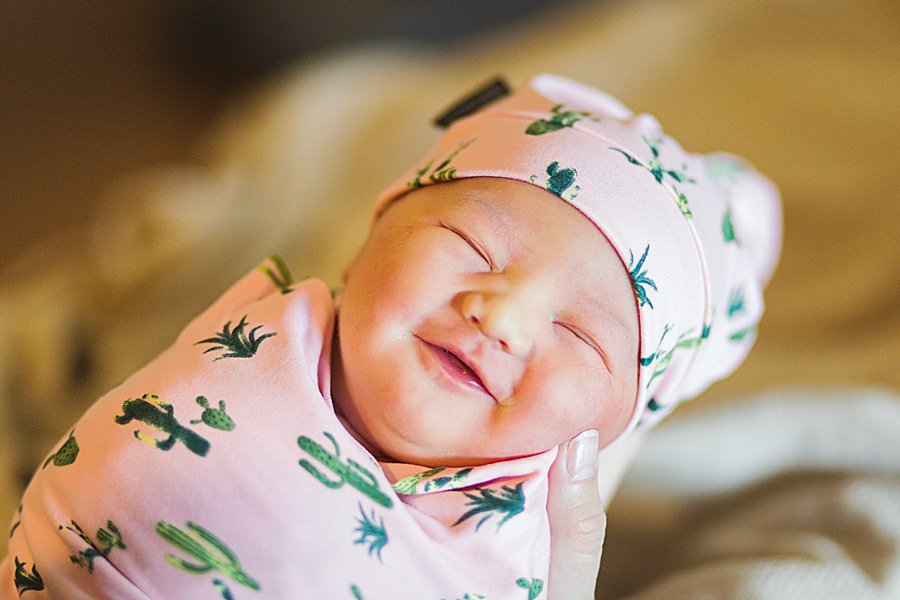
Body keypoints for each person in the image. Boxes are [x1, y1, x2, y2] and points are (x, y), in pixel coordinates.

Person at [1, 74, 781, 598]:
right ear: (371, 237)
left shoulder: (533, 544)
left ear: (614, 430)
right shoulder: (264, 342)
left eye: (580, 334)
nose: (501, 316)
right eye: (473, 245)